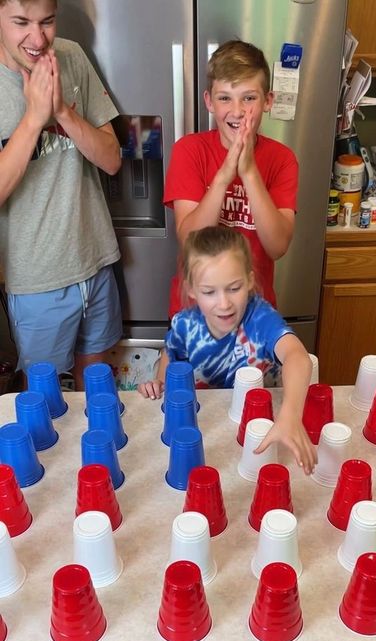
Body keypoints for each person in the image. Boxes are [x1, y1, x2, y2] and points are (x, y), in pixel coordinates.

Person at [0, 0, 122, 388]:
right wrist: (36, 117)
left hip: (97, 259)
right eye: (21, 22)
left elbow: (112, 160)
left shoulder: (70, 56)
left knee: (95, 388)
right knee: (44, 397)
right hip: (36, 279)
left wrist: (65, 114)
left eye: (47, 22)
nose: (37, 39)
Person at [139, 226, 315, 475]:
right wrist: (158, 384)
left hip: (258, 433)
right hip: (205, 435)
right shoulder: (184, 325)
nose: (224, 304)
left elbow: (298, 358)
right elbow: (170, 364)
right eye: (209, 292)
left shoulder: (260, 317)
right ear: (191, 289)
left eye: (234, 288)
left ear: (250, 281)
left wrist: (290, 415)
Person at [164, 39, 298, 318]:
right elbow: (189, 241)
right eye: (225, 98)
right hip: (194, 312)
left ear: (268, 101)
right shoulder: (189, 151)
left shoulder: (282, 159)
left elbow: (277, 246)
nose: (237, 111)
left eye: (249, 98)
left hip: (255, 314)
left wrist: (248, 171)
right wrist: (225, 175)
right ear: (209, 102)